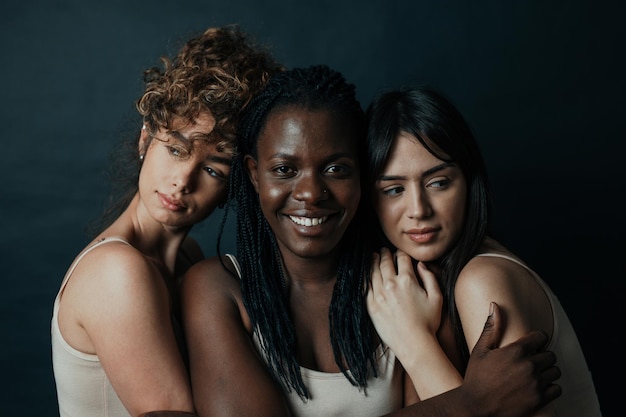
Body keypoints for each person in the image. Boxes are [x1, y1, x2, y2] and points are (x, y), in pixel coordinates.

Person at [180, 65, 561, 417]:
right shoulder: (218, 288)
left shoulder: (404, 286)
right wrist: (468, 403)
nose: (311, 192)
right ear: (253, 174)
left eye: (335, 169)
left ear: (362, 176)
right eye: (284, 169)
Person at [51, 25, 281, 417]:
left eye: (213, 169)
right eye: (176, 149)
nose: (183, 180)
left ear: (234, 185)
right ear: (145, 140)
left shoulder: (189, 258)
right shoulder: (116, 272)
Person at [364, 86, 602, 416]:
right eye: (394, 190)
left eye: (438, 183)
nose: (418, 209)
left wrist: (412, 340)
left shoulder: (482, 280)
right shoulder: (417, 288)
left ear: (468, 181)